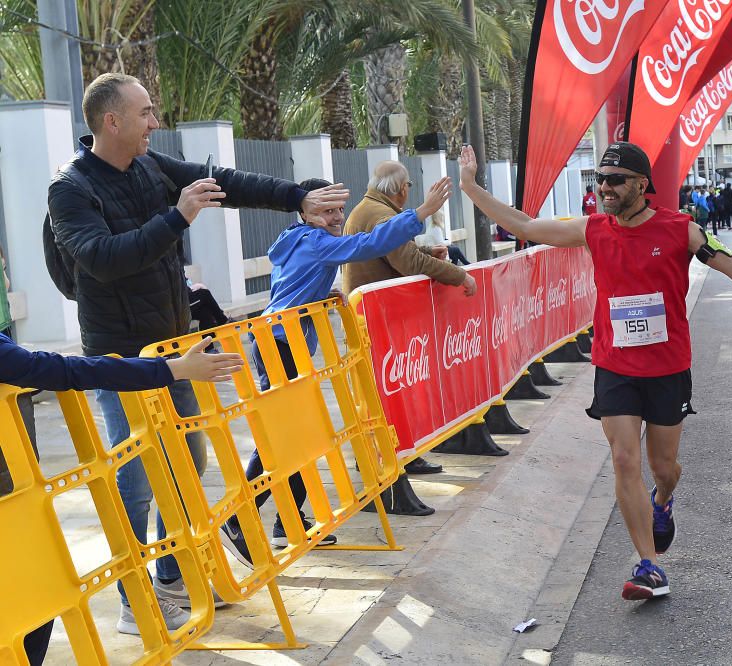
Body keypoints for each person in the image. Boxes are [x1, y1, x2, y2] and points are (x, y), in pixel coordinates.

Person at [457, 142, 732, 601]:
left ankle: (663, 499)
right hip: (615, 365)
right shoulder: (593, 229)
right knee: (623, 459)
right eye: (601, 179)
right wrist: (470, 187)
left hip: (668, 367)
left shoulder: (682, 230)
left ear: (640, 184)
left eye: (616, 179)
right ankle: (649, 564)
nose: (606, 188)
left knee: (664, 467)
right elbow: (527, 226)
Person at [46, 73, 349, 626]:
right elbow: (102, 259)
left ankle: (172, 576)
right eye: (144, 114)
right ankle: (132, 600)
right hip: (120, 358)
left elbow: (226, 181)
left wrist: (296, 196)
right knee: (136, 476)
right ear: (111, 122)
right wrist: (177, 216)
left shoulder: (150, 167)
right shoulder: (70, 189)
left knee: (190, 459)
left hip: (176, 348)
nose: (154, 123)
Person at [226, 176, 452, 554]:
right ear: (305, 210)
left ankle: (290, 520)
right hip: (280, 346)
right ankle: (238, 521)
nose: (334, 217)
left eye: (338, 210)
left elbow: (290, 281)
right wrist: (421, 213)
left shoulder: (298, 238)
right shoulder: (316, 243)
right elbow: (367, 244)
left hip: (281, 343)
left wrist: (320, 292)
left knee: (299, 437)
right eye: (325, 210)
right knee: (280, 440)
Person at [0, 333, 243, 655]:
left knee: (37, 602)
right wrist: (172, 369)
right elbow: (68, 370)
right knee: (35, 601)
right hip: (10, 504)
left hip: (13, 498)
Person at [342, 160, 476, 483]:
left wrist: (431, 251)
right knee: (390, 390)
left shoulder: (368, 208)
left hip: (373, 317)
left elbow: (396, 252)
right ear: (402, 190)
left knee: (380, 390)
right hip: (381, 319)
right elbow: (408, 262)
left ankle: (388, 452)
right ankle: (393, 454)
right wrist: (460, 275)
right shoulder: (381, 215)